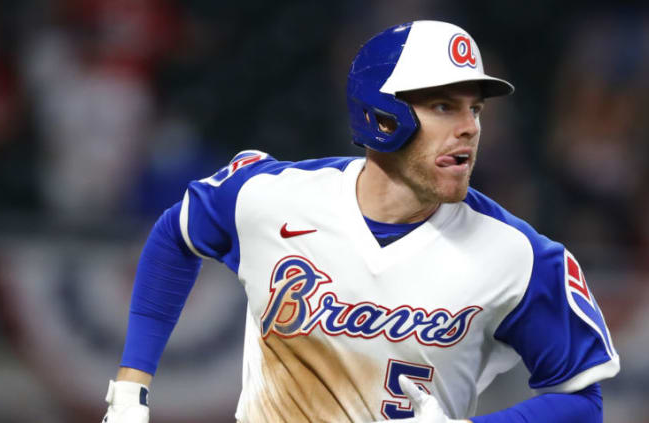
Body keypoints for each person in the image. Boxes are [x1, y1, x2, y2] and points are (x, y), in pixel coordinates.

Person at [102, 20, 620, 423]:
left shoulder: (516, 256)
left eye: (475, 110)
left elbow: (581, 400)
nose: (469, 129)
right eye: (443, 106)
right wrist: (131, 384)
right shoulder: (272, 198)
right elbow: (177, 233)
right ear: (382, 113)